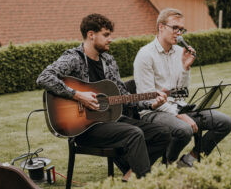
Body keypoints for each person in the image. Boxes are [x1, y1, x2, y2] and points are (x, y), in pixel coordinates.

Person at [36, 13, 171, 180]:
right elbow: (44, 77)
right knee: (134, 133)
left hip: (112, 120)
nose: (111, 39)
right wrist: (78, 95)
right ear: (91, 35)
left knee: (163, 133)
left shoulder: (109, 61)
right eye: (106, 35)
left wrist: (151, 105)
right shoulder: (73, 58)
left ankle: (130, 174)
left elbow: (124, 96)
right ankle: (145, 183)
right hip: (85, 127)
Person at [133, 8, 231, 167]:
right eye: (175, 28)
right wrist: (179, 115)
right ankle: (168, 162)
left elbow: (182, 92)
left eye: (181, 29)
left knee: (224, 122)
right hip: (153, 111)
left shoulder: (180, 52)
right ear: (161, 27)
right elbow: (148, 97)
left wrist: (186, 68)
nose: (179, 34)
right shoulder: (145, 55)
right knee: (184, 130)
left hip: (178, 106)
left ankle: (189, 160)